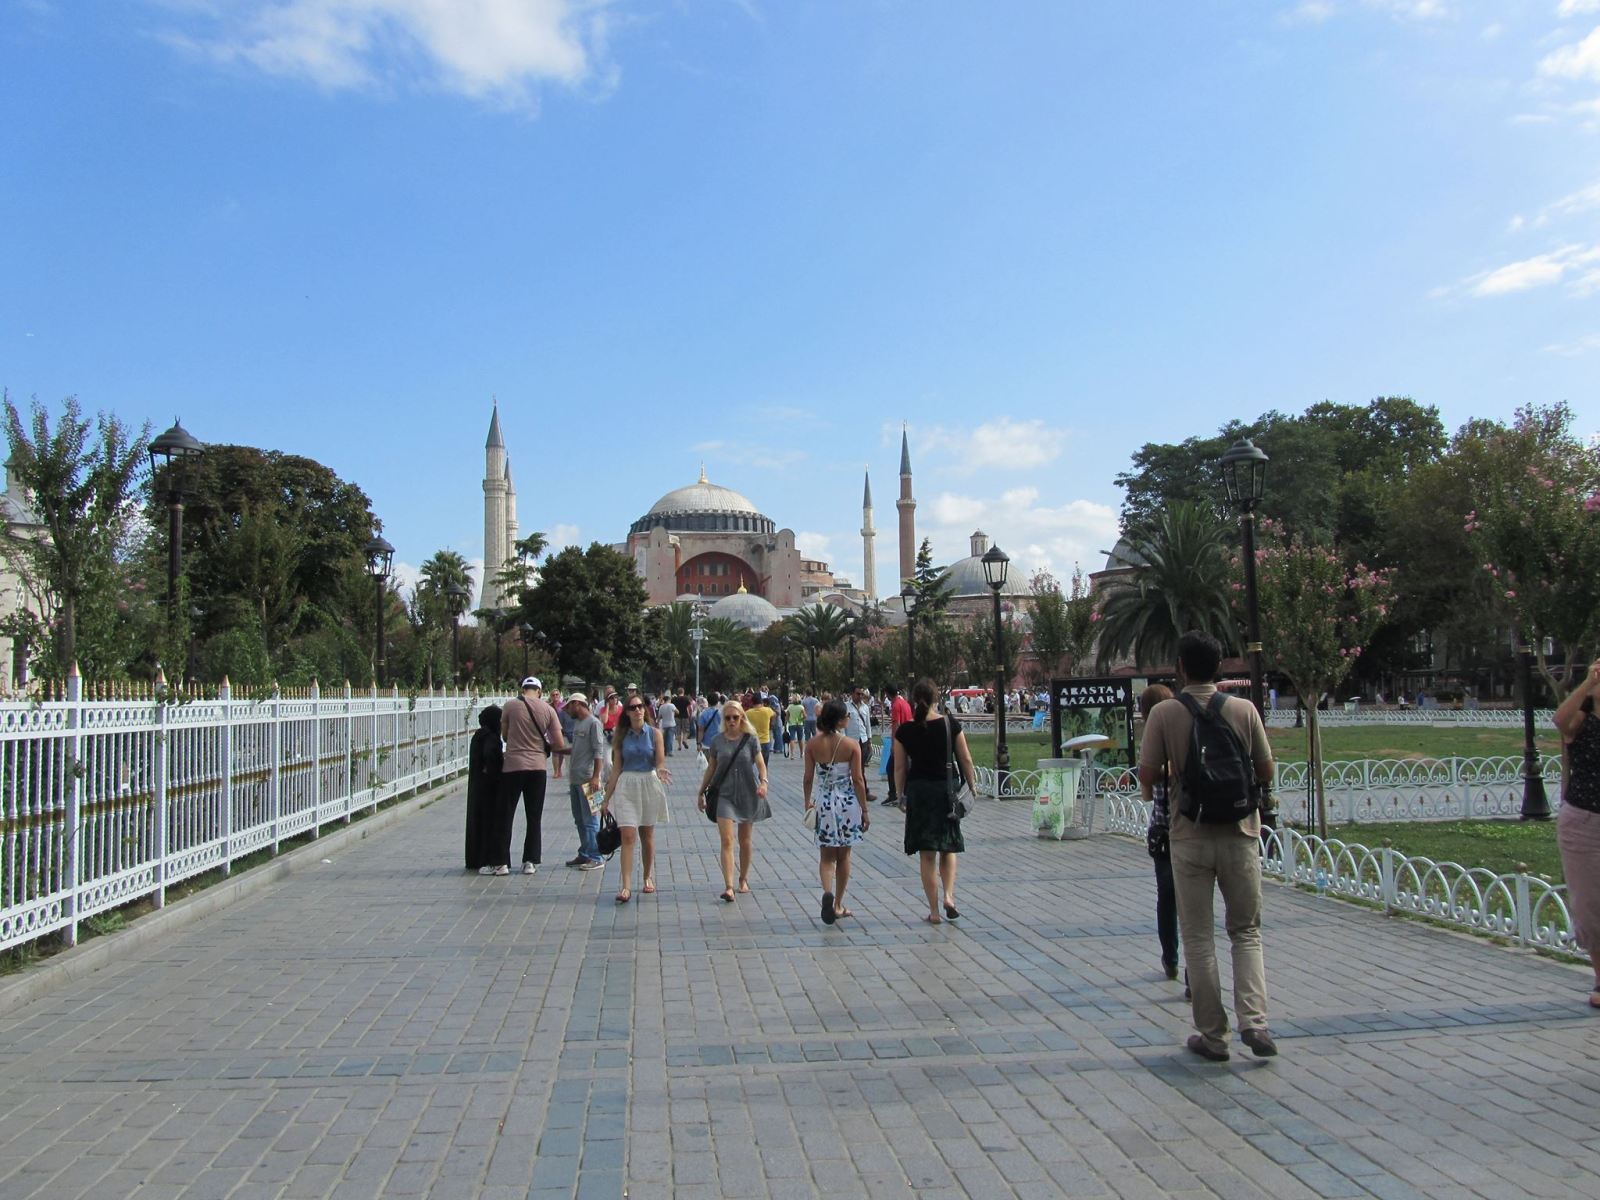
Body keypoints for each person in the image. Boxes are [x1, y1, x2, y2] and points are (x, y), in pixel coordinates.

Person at [1138, 630, 1277, 1062]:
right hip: (1240, 831)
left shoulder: (1165, 713)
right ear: (1219, 667)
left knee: (1198, 936)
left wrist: (1168, 775)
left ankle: (1213, 1036)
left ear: (1180, 667)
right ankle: (1254, 1022)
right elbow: (1266, 768)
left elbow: (1146, 776)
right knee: (1246, 932)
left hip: (1189, 835)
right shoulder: (1244, 709)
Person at [893, 679, 976, 924]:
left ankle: (934, 910)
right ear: (936, 698)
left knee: (926, 853)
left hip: (919, 792)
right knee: (948, 847)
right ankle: (949, 896)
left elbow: (899, 768)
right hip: (946, 792)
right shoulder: (950, 724)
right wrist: (972, 787)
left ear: (913, 700)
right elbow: (966, 760)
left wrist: (900, 795)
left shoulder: (904, 731)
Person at [1555, 657, 1600, 1009]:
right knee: (1589, 907)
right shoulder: (1582, 723)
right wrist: (1587, 683)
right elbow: (1559, 721)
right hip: (1583, 822)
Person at [696, 700, 770, 902]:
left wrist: (763, 782)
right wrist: (701, 792)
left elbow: (761, 764)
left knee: (745, 840)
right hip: (724, 794)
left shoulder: (751, 739)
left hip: (748, 792)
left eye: (735, 717)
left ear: (742, 718)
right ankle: (729, 886)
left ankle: (743, 879)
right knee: (727, 840)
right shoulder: (717, 741)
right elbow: (711, 769)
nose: (731, 721)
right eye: (727, 718)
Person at [804, 697, 870, 924]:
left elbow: (808, 778)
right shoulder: (851, 745)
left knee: (826, 855)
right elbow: (858, 780)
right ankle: (838, 903)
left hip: (823, 802)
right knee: (844, 855)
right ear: (840, 720)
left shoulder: (812, 744)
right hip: (847, 803)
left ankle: (826, 891)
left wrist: (807, 802)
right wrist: (865, 809)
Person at [600, 693, 671, 903]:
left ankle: (647, 876)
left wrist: (661, 771)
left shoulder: (655, 734)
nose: (638, 710)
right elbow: (616, 770)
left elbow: (659, 761)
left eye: (640, 706)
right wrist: (605, 799)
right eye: (633, 707)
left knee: (647, 835)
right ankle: (626, 886)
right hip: (627, 785)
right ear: (627, 712)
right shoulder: (621, 737)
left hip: (649, 783)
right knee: (628, 835)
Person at [494, 677, 565, 876]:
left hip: (513, 766)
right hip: (537, 767)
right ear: (540, 692)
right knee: (534, 816)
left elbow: (505, 736)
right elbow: (558, 742)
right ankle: (530, 861)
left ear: (523, 689)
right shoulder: (548, 710)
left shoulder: (509, 706)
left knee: (505, 815)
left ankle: (501, 863)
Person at [1137, 684, 1179, 980]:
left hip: (1164, 829)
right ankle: (1189, 966)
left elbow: (1147, 793)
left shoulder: (1154, 742)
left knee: (1167, 897)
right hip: (1193, 827)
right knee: (1193, 902)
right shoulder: (1186, 733)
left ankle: (1171, 957)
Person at [562, 693, 607, 870]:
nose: (567, 711)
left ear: (577, 704)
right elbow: (579, 748)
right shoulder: (578, 723)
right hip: (575, 779)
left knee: (591, 820)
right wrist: (559, 749)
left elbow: (599, 752)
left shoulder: (594, 723)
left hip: (590, 781)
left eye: (569, 707)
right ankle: (585, 853)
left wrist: (596, 777)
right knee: (579, 819)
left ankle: (596, 856)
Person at [467, 705, 503, 873]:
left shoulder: (478, 735)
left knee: (477, 821)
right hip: (489, 785)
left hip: (477, 785)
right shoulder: (491, 737)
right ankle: (487, 857)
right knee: (489, 822)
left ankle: (475, 857)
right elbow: (490, 755)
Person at [884, 685, 913, 806]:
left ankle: (894, 794)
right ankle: (904, 793)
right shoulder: (904, 703)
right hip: (909, 738)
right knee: (905, 767)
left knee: (891, 768)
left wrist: (894, 743)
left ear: (888, 694)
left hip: (901, 741)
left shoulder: (895, 705)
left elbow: (896, 725)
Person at [843, 687, 875, 800]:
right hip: (851, 740)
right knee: (848, 767)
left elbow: (867, 725)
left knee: (860, 768)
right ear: (852, 694)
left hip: (863, 740)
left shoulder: (865, 707)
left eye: (862, 694)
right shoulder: (846, 707)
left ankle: (864, 791)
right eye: (858, 694)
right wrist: (843, 739)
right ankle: (851, 790)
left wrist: (870, 740)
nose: (860, 696)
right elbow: (843, 725)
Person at [744, 696, 775, 767]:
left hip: (752, 741)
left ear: (752, 703)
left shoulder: (748, 713)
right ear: (762, 702)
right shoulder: (768, 710)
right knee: (764, 765)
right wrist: (770, 722)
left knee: (750, 764)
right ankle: (763, 776)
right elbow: (775, 715)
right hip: (765, 741)